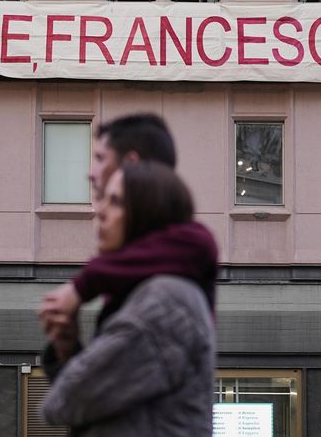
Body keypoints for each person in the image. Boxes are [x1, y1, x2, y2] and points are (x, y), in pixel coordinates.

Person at [40, 161, 217, 436]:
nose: (100, 211)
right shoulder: (153, 293)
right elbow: (99, 408)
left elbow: (64, 403)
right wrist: (68, 348)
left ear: (148, 215)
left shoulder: (162, 302)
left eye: (116, 202)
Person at [40, 113, 216, 332]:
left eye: (100, 158)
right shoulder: (131, 259)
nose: (90, 173)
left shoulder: (189, 245)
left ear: (131, 164)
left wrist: (81, 287)